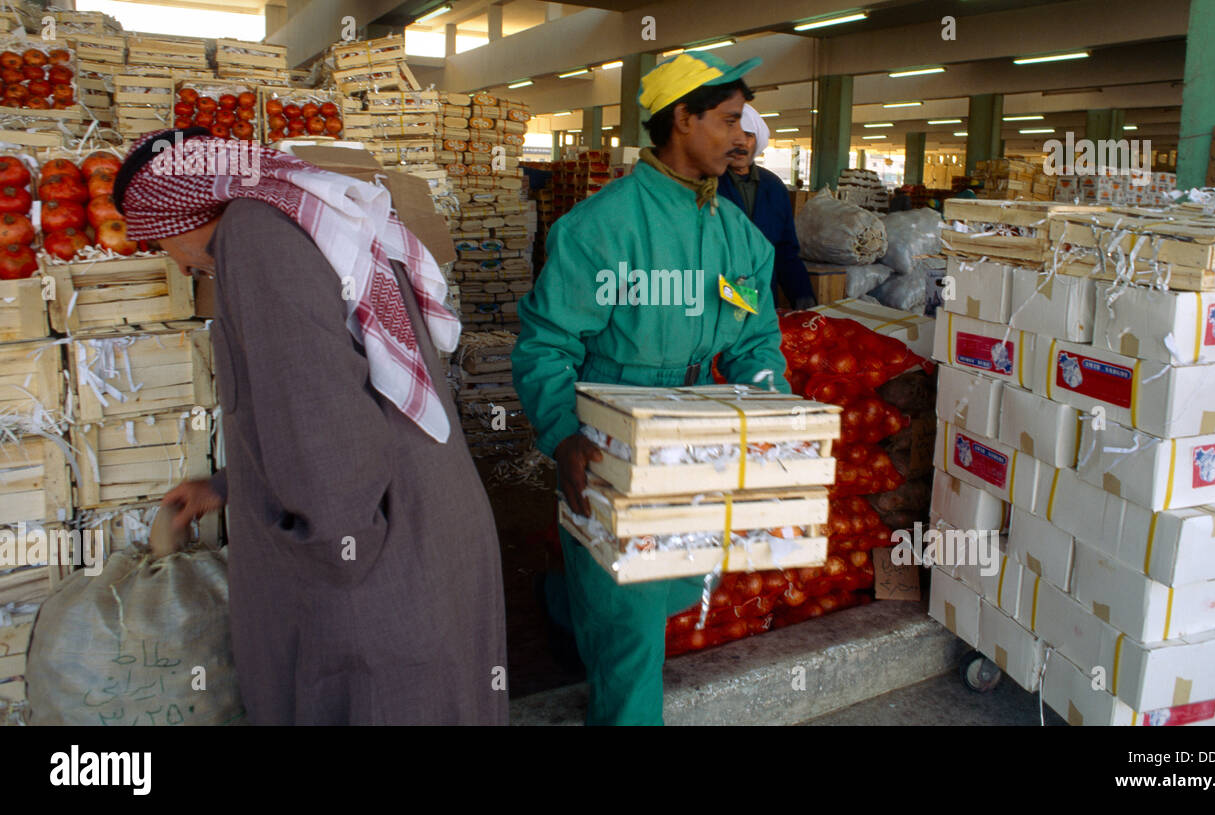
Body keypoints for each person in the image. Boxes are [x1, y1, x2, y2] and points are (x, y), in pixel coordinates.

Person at [115, 128, 508, 725]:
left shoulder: (253, 239)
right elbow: (326, 389)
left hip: (379, 573)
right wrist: (228, 486)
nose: (166, 255)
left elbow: (325, 439)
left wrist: (328, 566)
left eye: (155, 238)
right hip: (422, 533)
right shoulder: (296, 216)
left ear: (174, 213)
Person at [512, 52, 790, 726]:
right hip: (612, 429)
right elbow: (548, 344)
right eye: (726, 121)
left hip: (696, 429)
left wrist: (778, 416)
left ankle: (564, 598)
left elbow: (755, 345)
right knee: (631, 624)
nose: (740, 136)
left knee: (679, 580)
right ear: (682, 119)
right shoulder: (599, 229)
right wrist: (562, 431)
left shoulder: (739, 240)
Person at [716, 105, 816, 310]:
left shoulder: (773, 186)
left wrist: (803, 297)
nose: (741, 142)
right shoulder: (707, 184)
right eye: (733, 135)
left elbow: (785, 251)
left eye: (749, 136)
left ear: (757, 142)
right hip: (717, 300)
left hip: (762, 297)